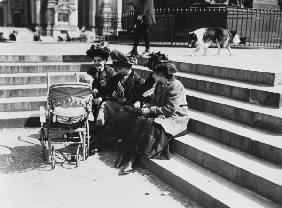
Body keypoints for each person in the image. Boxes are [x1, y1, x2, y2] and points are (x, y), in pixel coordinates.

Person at [116, 63, 190, 174]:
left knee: (148, 124)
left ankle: (131, 161)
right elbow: (154, 102)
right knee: (137, 121)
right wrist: (147, 106)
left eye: (154, 74)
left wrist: (151, 110)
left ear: (160, 74)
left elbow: (170, 108)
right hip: (163, 114)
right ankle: (125, 156)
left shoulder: (176, 85)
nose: (152, 76)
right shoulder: (159, 84)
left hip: (175, 118)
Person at [91, 50, 142, 151]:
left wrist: (135, 103)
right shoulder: (116, 78)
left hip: (129, 107)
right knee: (104, 105)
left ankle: (101, 140)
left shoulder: (137, 79)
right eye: (117, 68)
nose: (118, 70)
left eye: (120, 68)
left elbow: (139, 97)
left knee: (121, 114)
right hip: (117, 103)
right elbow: (108, 91)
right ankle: (98, 130)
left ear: (128, 67)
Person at [81, 41, 116, 119]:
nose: (96, 63)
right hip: (93, 98)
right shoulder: (91, 71)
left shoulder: (111, 72)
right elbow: (88, 86)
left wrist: (101, 98)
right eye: (94, 60)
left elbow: (113, 90)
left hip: (107, 98)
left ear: (105, 61)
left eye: (99, 60)